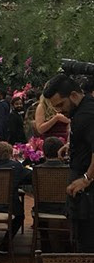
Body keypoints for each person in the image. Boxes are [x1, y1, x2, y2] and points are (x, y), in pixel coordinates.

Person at [43, 73, 94, 252]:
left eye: (60, 105)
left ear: (73, 95)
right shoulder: (83, 109)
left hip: (88, 196)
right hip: (82, 192)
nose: (59, 111)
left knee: (87, 248)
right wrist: (71, 145)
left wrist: (87, 178)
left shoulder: (87, 115)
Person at [0, 141, 29, 255]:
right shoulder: (16, 167)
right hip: (9, 208)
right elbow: (30, 177)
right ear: (9, 154)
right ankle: (5, 244)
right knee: (19, 217)